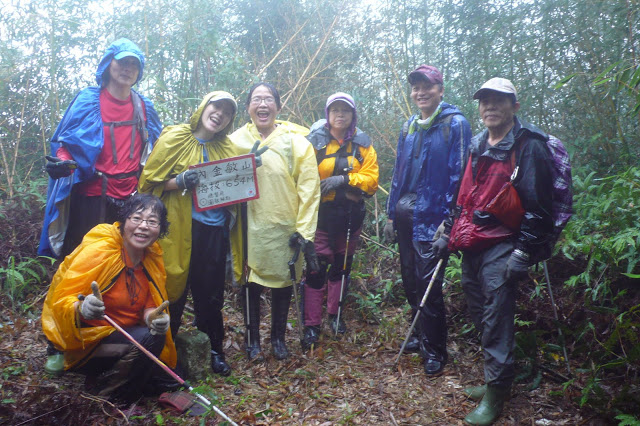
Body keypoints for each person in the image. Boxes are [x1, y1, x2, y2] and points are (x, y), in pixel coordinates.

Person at [39, 37, 162, 375]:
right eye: (122, 62)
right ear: (108, 64)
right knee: (76, 266)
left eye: (134, 64)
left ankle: (111, 333)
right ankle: (58, 342)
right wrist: (62, 162)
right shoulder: (88, 100)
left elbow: (157, 150)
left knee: (127, 265)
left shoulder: (144, 106)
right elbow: (65, 142)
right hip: (91, 193)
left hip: (129, 198)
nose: (127, 69)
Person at [446, 78, 554, 425]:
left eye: (499, 100)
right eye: (485, 101)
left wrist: (523, 252)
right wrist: (448, 231)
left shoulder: (529, 146)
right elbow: (466, 195)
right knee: (480, 312)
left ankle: (496, 393)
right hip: (473, 242)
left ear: (514, 107)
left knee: (496, 318)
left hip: (504, 243)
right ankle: (499, 377)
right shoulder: (477, 144)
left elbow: (540, 207)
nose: (490, 106)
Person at [138, 91, 252, 376]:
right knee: (172, 288)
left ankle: (214, 350)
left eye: (227, 112)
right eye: (216, 107)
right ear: (203, 107)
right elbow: (147, 183)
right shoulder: (174, 137)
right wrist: (178, 181)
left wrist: (249, 169)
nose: (220, 114)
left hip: (213, 231)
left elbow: (237, 189)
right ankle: (163, 351)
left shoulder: (228, 148)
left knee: (210, 294)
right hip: (176, 228)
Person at [41, 193, 177, 403]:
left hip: (127, 335)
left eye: (152, 222)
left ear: (160, 229)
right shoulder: (101, 251)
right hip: (87, 344)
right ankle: (116, 399)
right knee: (150, 341)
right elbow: (62, 300)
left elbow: (151, 305)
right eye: (137, 218)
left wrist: (154, 319)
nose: (143, 226)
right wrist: (82, 308)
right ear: (123, 221)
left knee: (170, 380)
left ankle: (121, 377)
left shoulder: (151, 257)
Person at [384, 65, 471, 376]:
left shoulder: (455, 124)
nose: (420, 93)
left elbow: (460, 175)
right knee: (410, 278)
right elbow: (399, 172)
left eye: (427, 87)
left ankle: (435, 349)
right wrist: (390, 213)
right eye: (416, 87)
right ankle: (420, 334)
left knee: (428, 284)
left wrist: (450, 222)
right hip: (406, 215)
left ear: (440, 90)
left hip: (433, 220)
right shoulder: (409, 125)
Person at [229, 82, 320, 361]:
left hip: (284, 225)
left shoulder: (297, 142)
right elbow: (221, 180)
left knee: (284, 281)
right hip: (248, 226)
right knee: (250, 282)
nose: (263, 104)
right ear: (248, 107)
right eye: (256, 99)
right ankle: (253, 340)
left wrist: (304, 231)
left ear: (278, 107)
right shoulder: (234, 142)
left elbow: (309, 189)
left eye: (268, 99)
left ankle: (278, 338)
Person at [301, 92, 378, 349]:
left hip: (350, 218)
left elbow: (371, 180)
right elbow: (303, 177)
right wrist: (346, 189)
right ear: (327, 114)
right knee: (316, 269)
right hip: (320, 216)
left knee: (341, 268)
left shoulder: (363, 145)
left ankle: (335, 316)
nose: (340, 115)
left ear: (353, 114)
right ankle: (312, 324)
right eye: (335, 110)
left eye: (345, 110)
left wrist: (344, 180)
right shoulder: (314, 143)